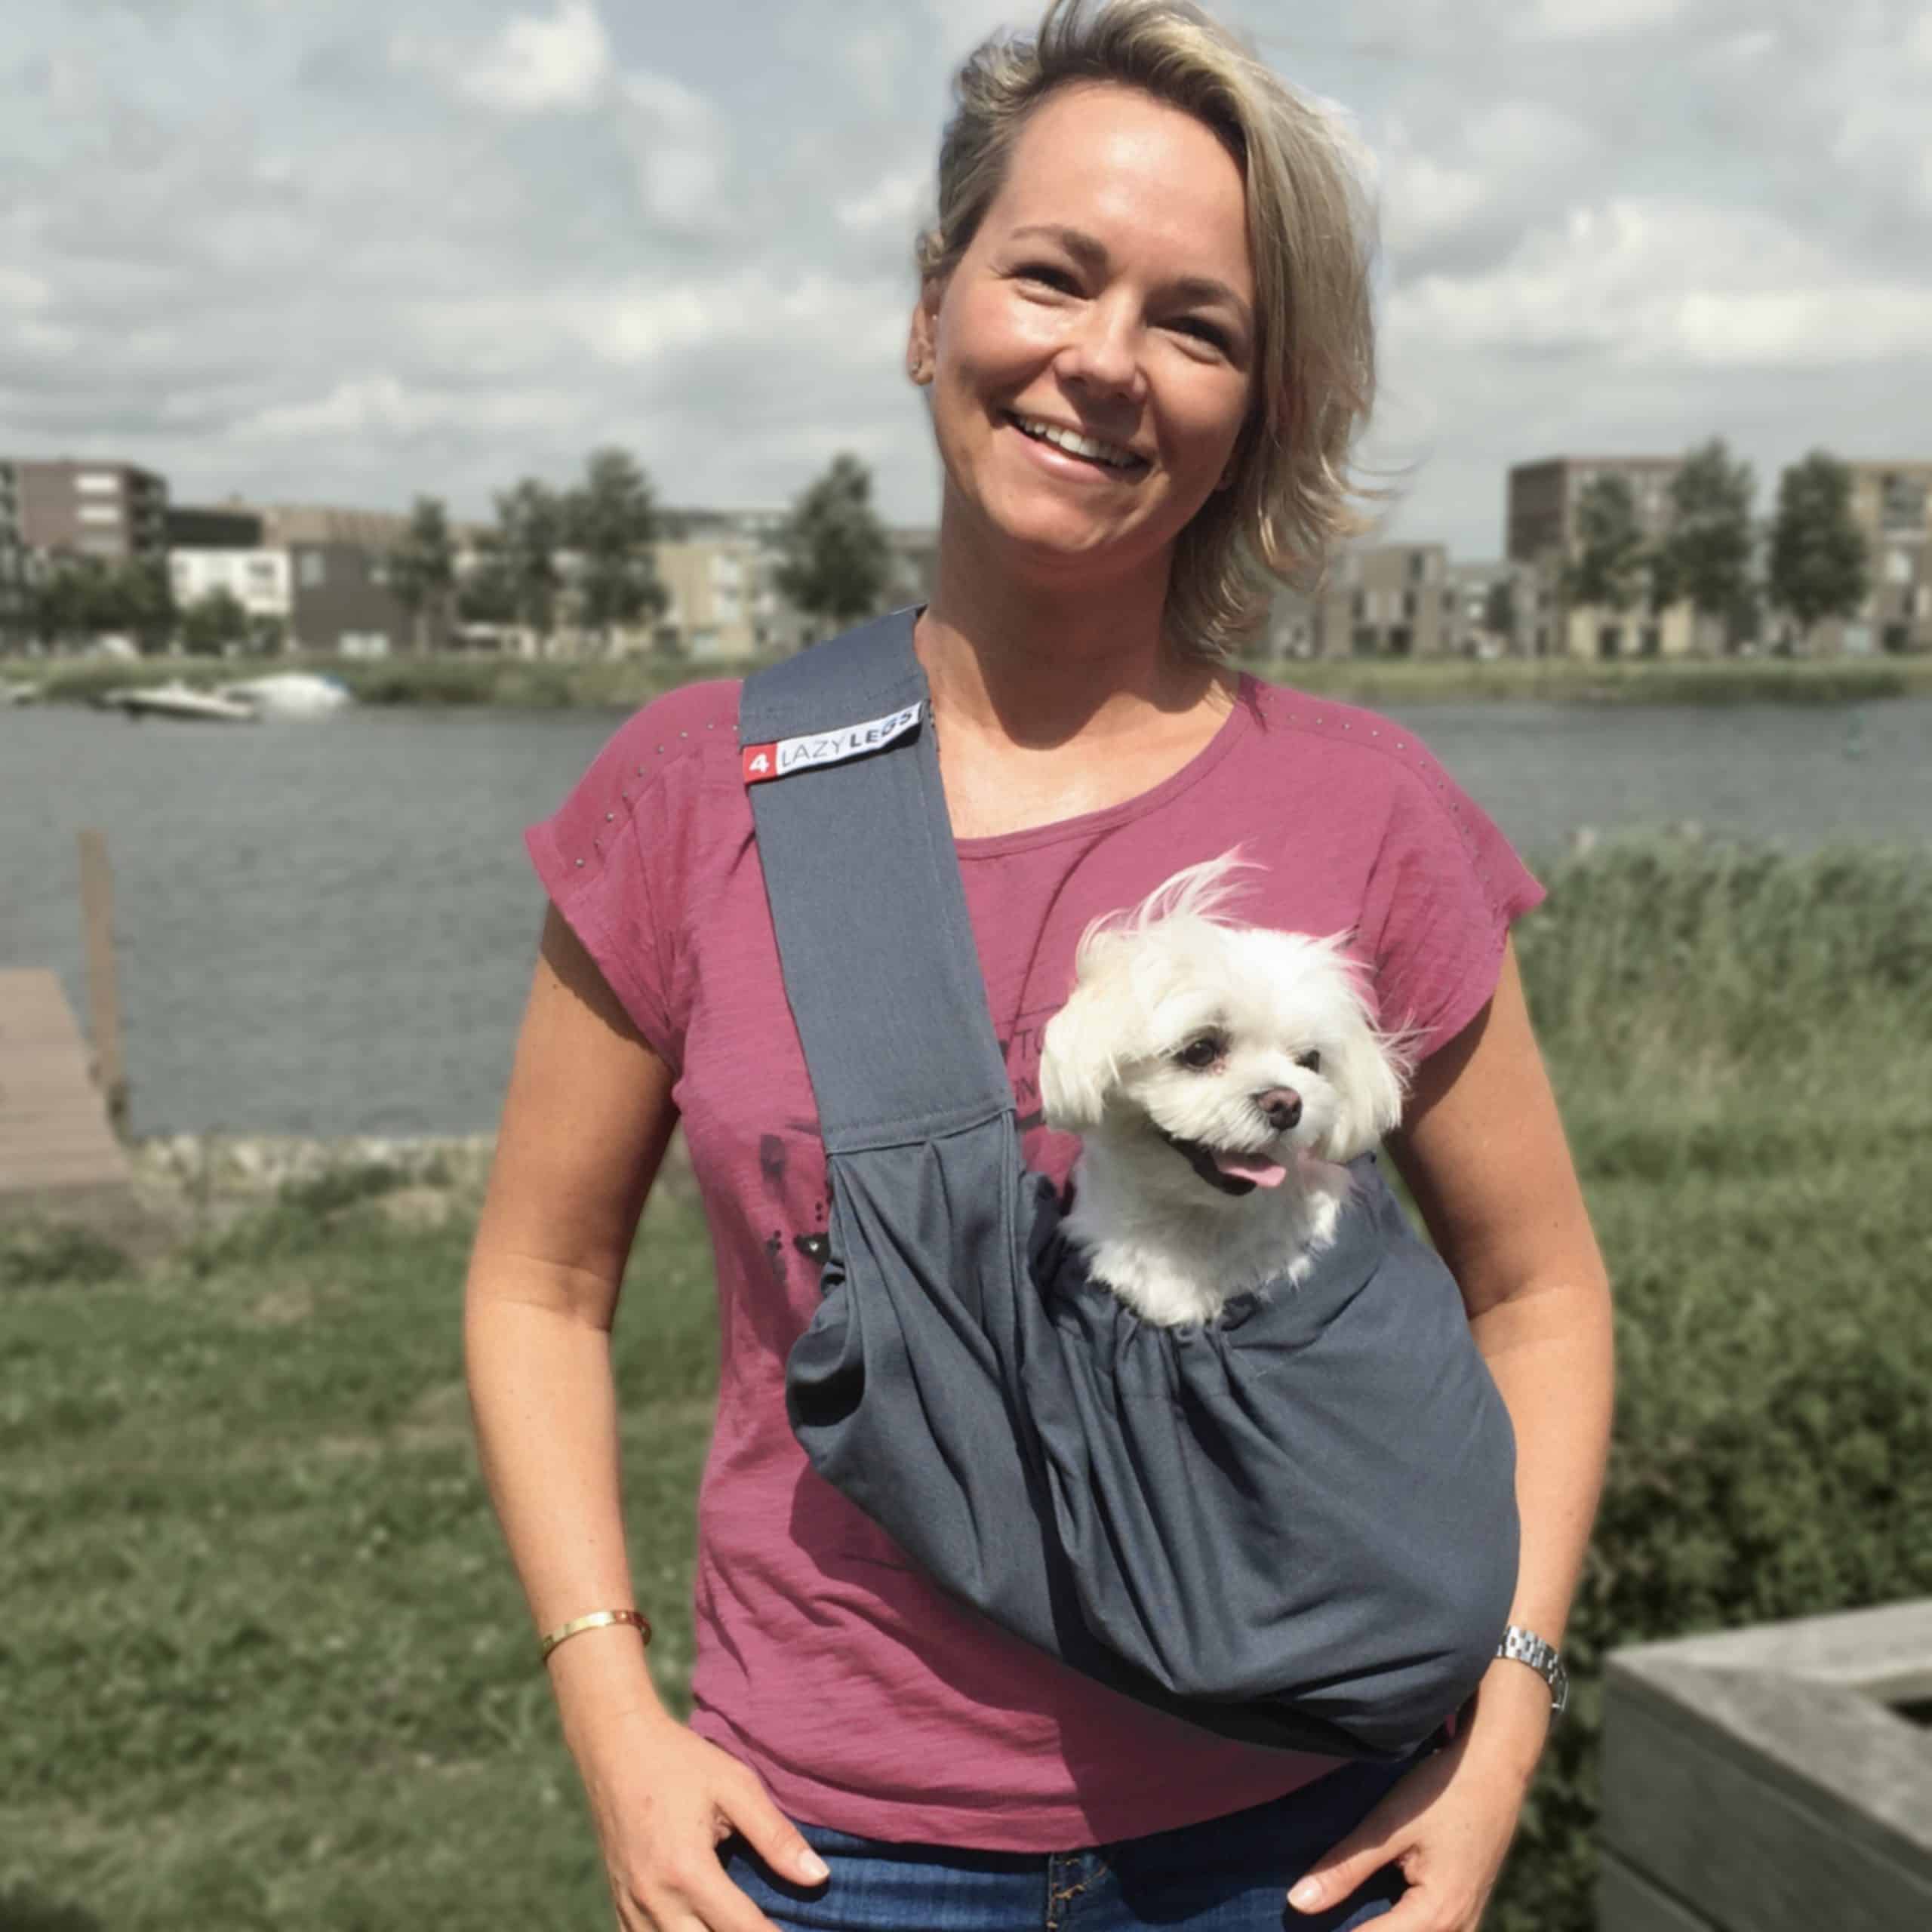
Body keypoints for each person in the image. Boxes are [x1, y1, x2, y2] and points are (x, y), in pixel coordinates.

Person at [463, 3, 1614, 1928]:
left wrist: (1503, 1725)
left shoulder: (1369, 805)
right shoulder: (688, 791)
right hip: (822, 1850)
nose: (1104, 361)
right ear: (933, 307)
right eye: (1052, 275)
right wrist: (607, 1708)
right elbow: (537, 1278)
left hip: (1301, 1839)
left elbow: (1539, 1288)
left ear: (1254, 407)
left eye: (1196, 324)